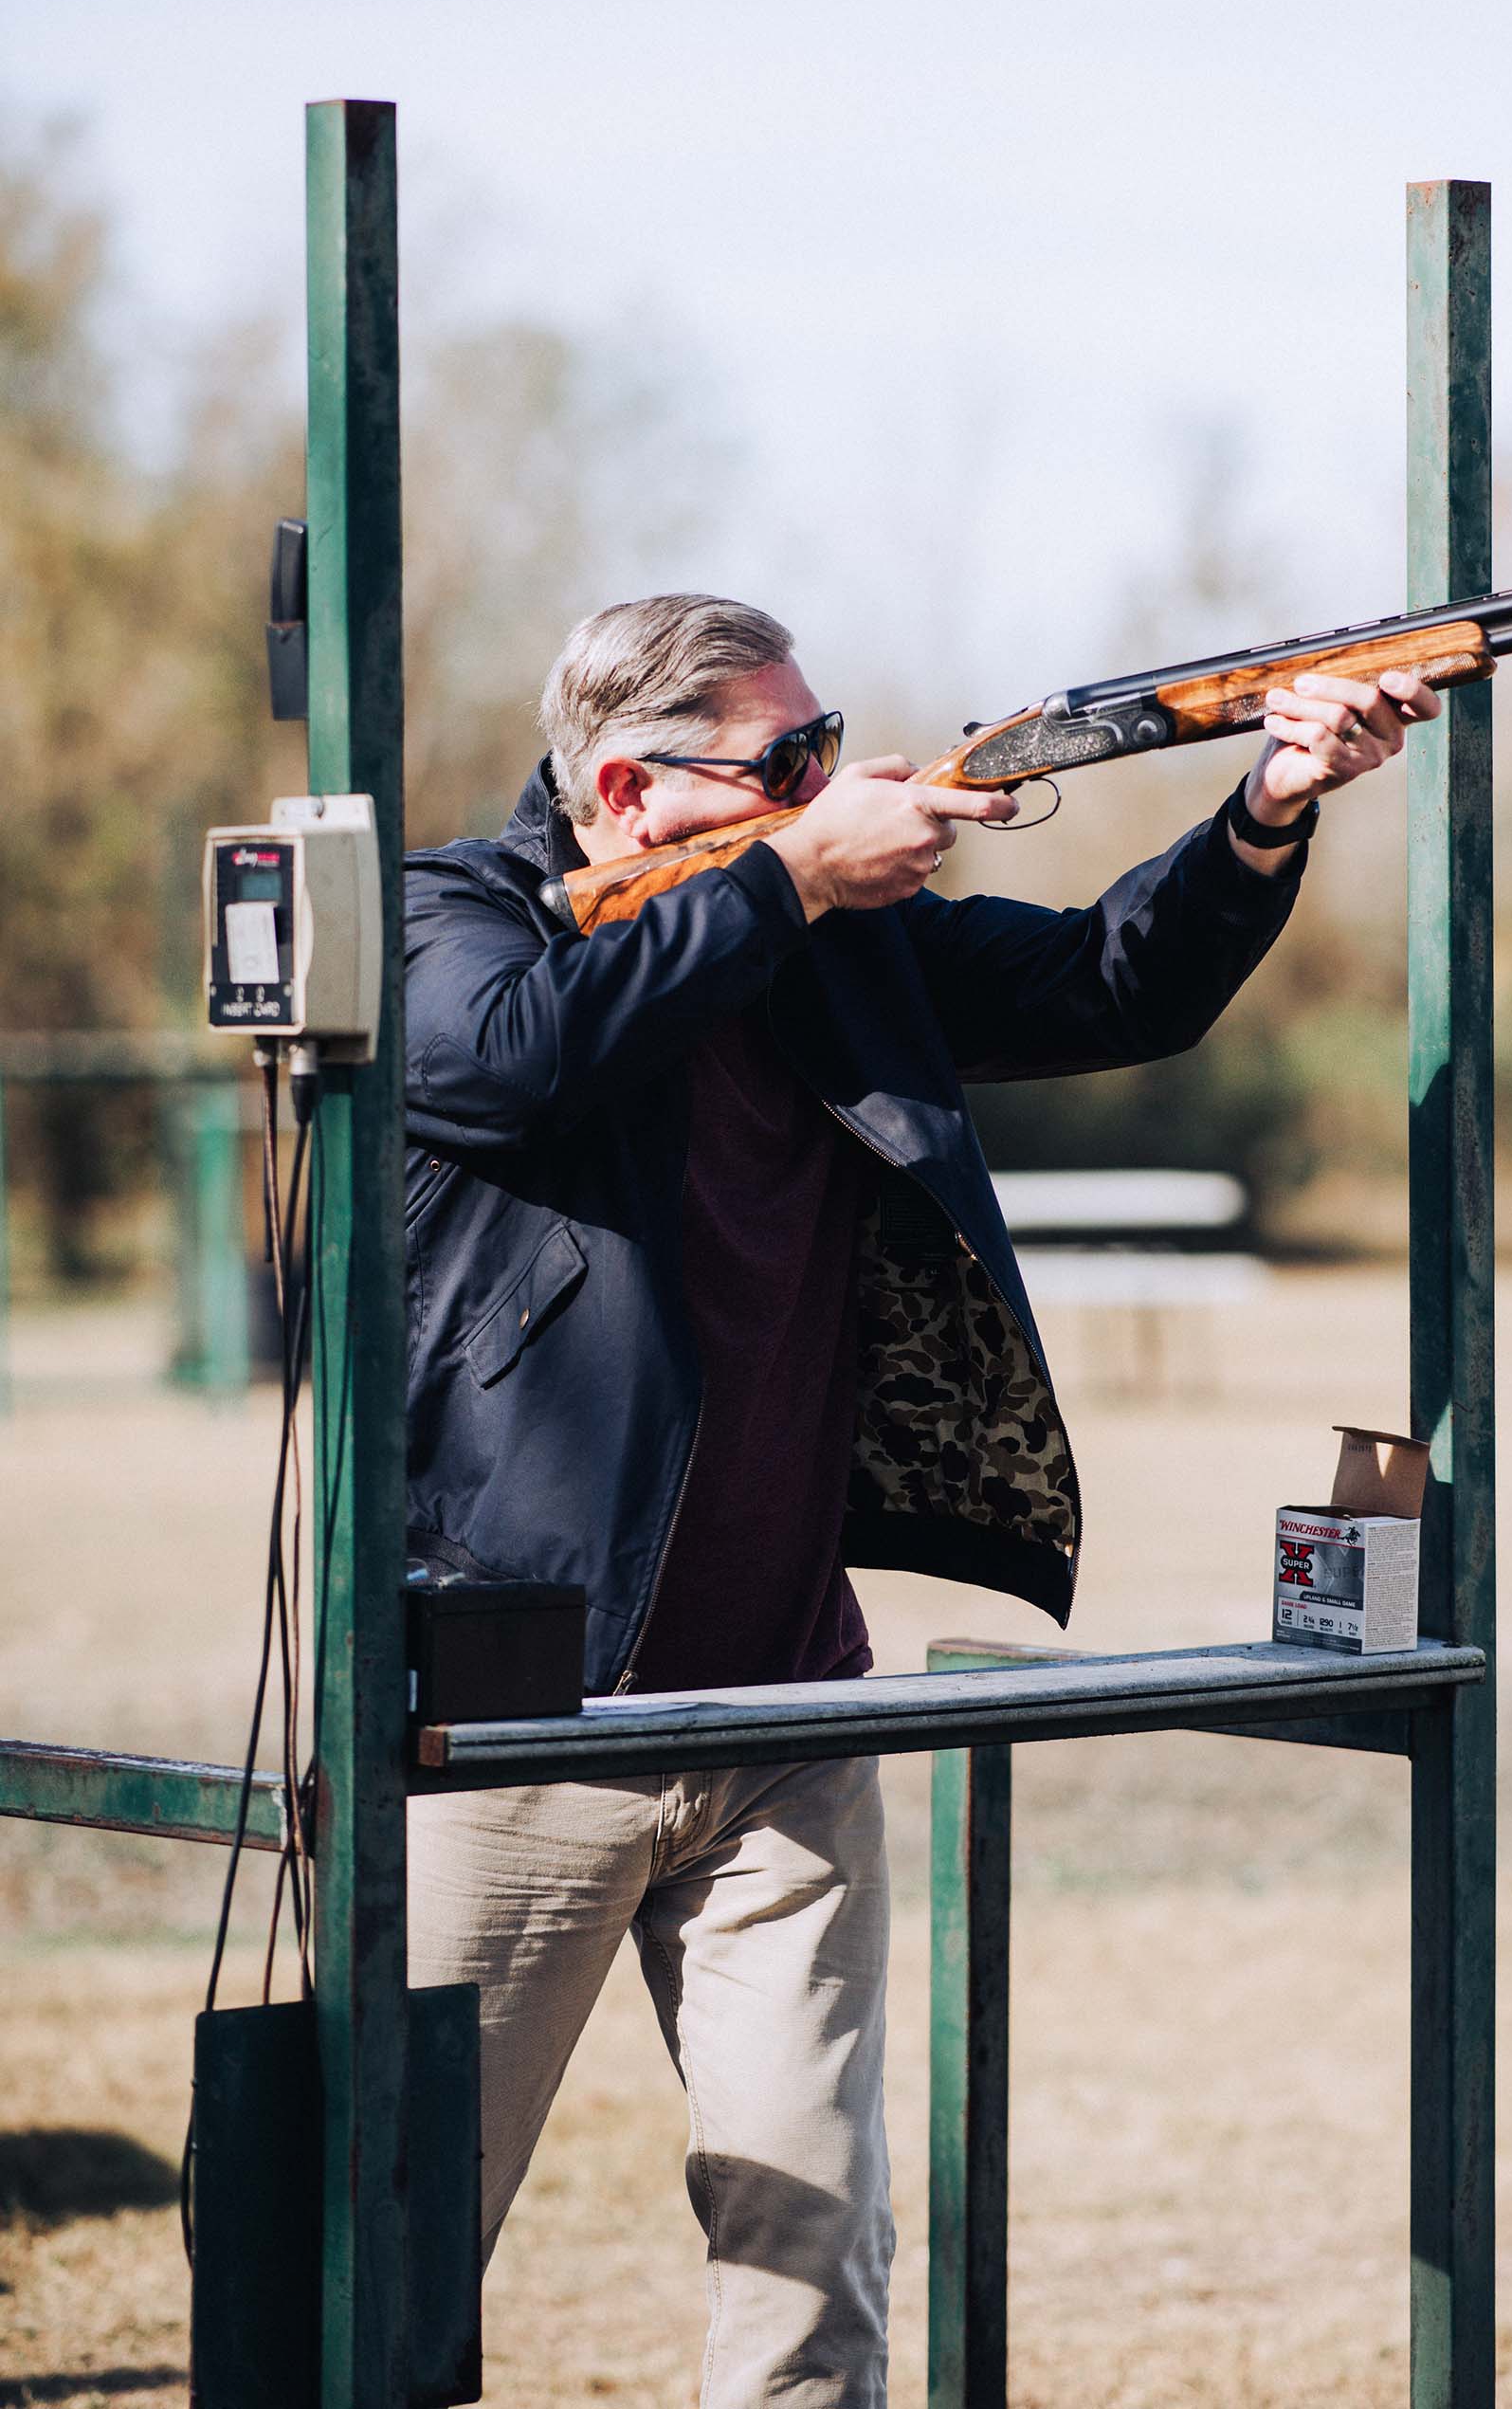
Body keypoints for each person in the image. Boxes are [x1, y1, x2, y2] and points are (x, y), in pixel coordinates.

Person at [401, 593, 1438, 2407]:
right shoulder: (452, 918)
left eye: (828, 747)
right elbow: (503, 1060)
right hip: (511, 1712)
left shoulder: (834, 939)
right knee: (386, 2248)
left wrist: (1269, 805)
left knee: (816, 2262)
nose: (832, 782)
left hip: (794, 1697)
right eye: (789, 762)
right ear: (634, 785)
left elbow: (1116, 984)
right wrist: (794, 875)